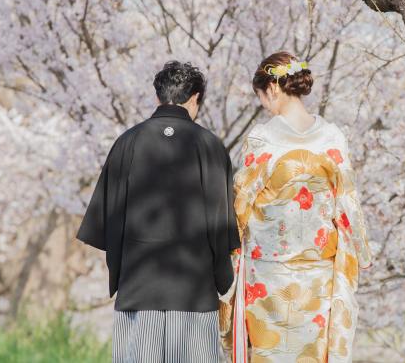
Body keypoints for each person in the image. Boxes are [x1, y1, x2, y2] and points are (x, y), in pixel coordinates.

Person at [76, 60, 240, 363]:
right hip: (194, 287)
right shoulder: (209, 145)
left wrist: (120, 274)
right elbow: (221, 224)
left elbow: (108, 221)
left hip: (139, 286)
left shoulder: (128, 142)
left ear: (158, 97)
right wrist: (222, 279)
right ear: (195, 99)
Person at [219, 52, 372, 363]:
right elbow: (348, 200)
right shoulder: (332, 138)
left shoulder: (263, 139)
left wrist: (226, 256)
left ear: (273, 89)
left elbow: (240, 206)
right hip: (319, 275)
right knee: (311, 355)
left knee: (269, 353)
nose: (264, 105)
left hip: (268, 276)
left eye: (262, 97)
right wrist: (362, 250)